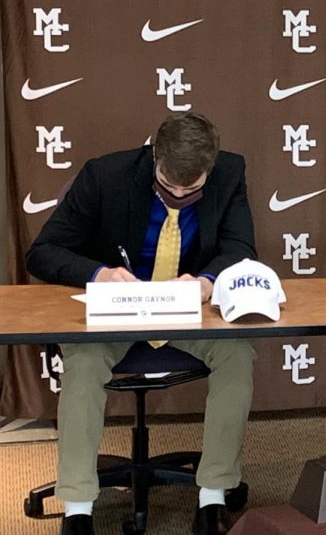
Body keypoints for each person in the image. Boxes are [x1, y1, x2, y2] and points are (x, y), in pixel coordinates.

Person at [27, 112, 256, 535]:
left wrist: (208, 281)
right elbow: (42, 252)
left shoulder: (230, 173)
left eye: (192, 190)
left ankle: (212, 497)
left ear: (210, 167)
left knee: (238, 354)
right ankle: (77, 508)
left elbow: (241, 249)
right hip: (117, 311)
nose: (178, 197)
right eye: (169, 187)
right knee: (83, 366)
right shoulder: (105, 176)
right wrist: (99, 274)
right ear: (155, 157)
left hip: (187, 313)